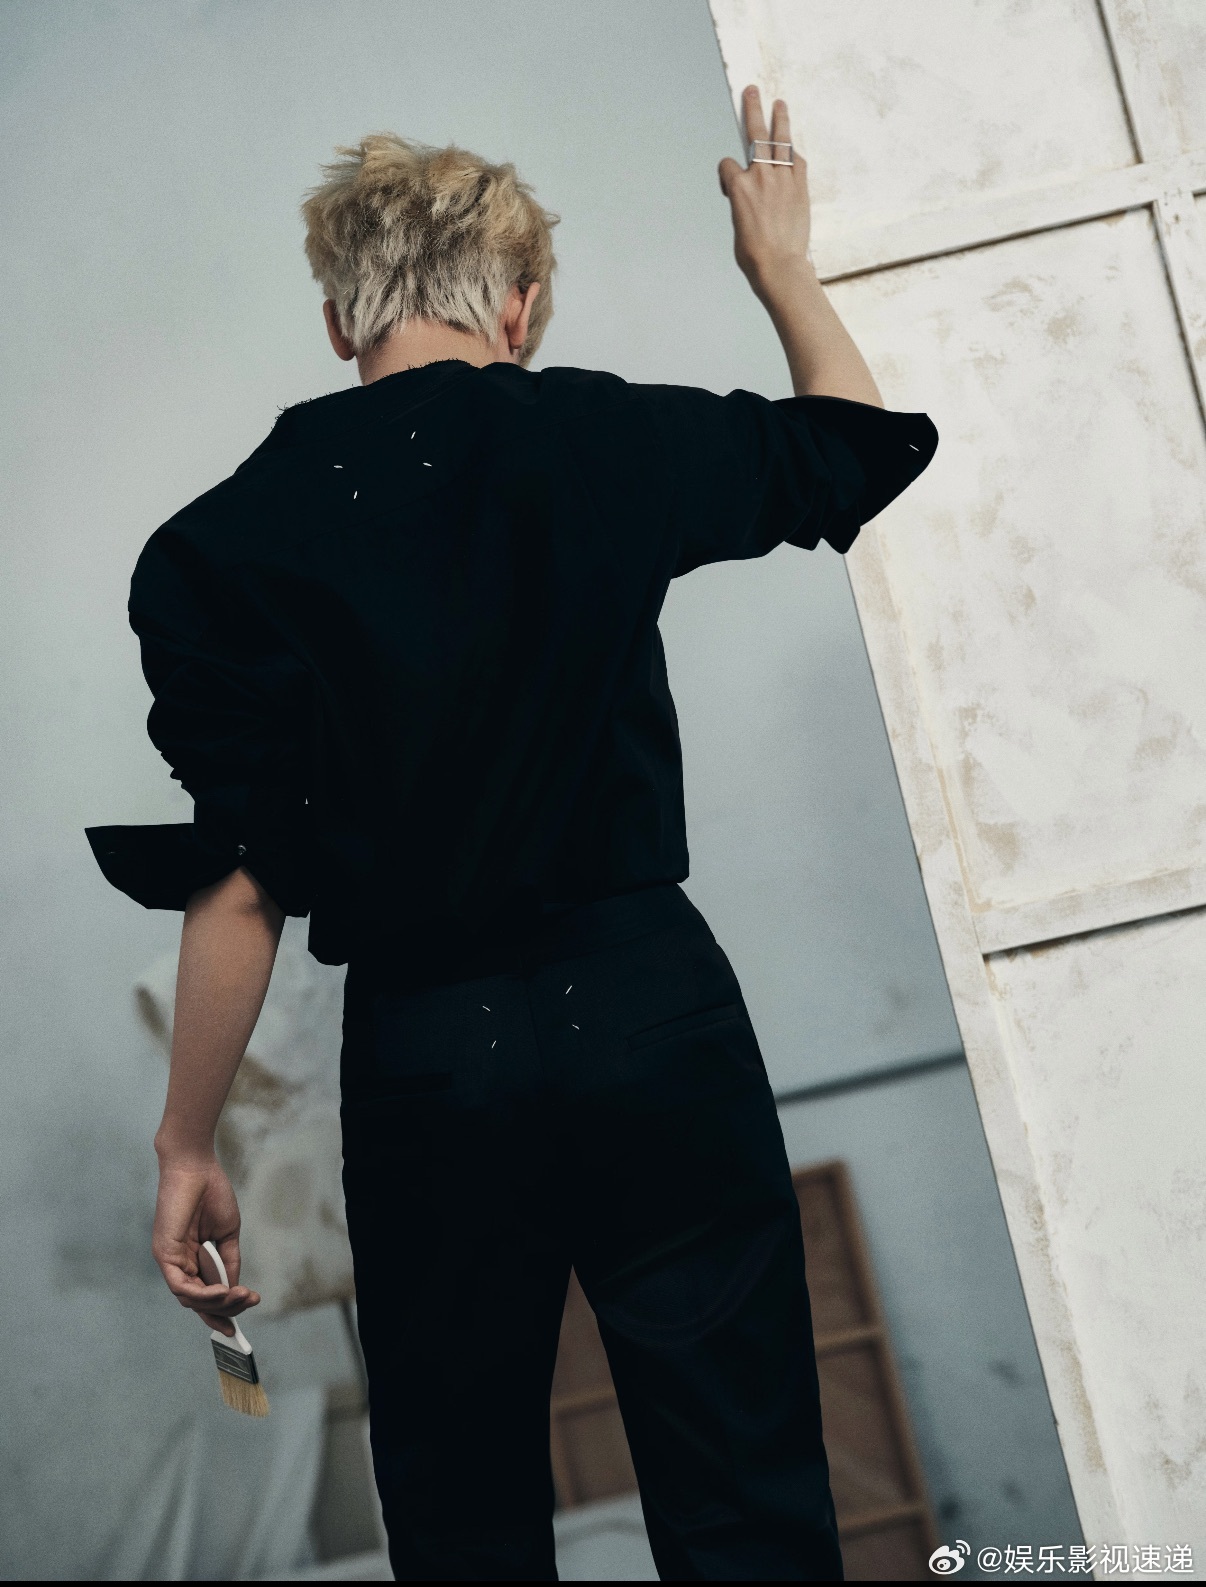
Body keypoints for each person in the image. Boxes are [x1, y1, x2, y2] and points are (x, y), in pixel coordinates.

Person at [87, 88, 936, 1581]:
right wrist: (781, 268)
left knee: (463, 1514)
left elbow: (239, 886)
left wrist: (185, 1144)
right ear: (520, 306)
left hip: (429, 1056)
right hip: (649, 1007)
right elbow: (852, 451)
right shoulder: (598, 437)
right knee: (746, 1496)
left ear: (338, 320)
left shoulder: (217, 549)